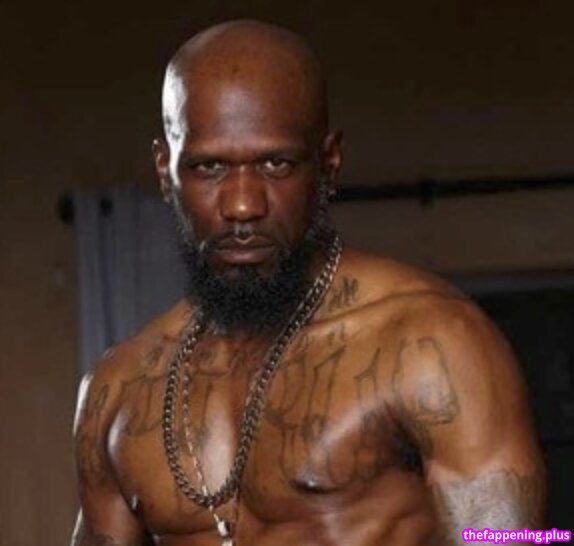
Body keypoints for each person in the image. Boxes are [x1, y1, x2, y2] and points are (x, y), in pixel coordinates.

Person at [71, 19, 546, 546]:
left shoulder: (435, 343)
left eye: (276, 163)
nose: (243, 206)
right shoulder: (118, 388)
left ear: (328, 161)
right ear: (165, 169)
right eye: (209, 167)